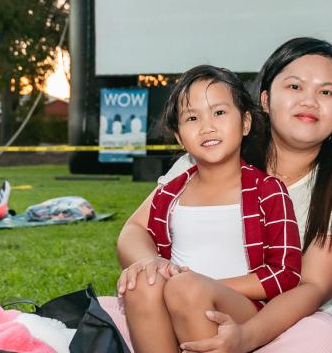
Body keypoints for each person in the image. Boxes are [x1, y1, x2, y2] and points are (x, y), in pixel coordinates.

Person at [120, 37, 332, 353]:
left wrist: (243, 336)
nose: (309, 100)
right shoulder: (210, 154)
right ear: (264, 100)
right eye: (295, 87)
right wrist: (152, 266)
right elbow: (135, 230)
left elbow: (311, 286)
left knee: (323, 343)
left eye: (326, 91)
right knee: (140, 287)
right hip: (177, 309)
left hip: (282, 328)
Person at [116, 65, 302, 352]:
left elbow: (285, 274)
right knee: (141, 281)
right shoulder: (171, 193)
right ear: (179, 137)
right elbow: (132, 231)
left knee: (186, 288)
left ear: (245, 123)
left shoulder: (268, 191)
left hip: (241, 308)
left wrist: (205, 283)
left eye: (219, 112)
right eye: (192, 117)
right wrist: (150, 260)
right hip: (176, 298)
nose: (207, 126)